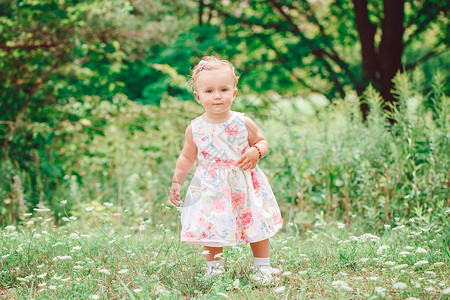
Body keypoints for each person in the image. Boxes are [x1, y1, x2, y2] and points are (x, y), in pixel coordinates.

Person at [169, 55, 283, 279]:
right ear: (198, 96)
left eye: (224, 89)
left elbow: (262, 141)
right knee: (211, 228)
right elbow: (186, 157)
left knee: (255, 224)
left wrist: (256, 151)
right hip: (211, 187)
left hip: (244, 184)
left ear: (234, 92)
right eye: (209, 91)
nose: (217, 96)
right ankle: (215, 269)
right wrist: (176, 182)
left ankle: (262, 267)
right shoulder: (195, 128)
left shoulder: (242, 122)